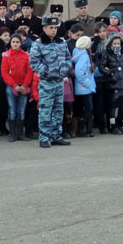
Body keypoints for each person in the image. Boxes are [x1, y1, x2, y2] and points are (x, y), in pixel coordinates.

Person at [29, 15, 72, 147]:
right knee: (45, 111)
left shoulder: (62, 42)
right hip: (47, 82)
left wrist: (65, 69)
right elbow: (34, 62)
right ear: (45, 28)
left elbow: (68, 58)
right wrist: (46, 71)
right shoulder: (38, 43)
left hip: (59, 81)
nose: (54, 30)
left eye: (55, 27)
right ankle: (43, 137)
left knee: (58, 110)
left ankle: (56, 135)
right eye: (51, 28)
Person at [1, 33, 32, 143]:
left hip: (23, 85)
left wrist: (24, 85)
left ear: (21, 43)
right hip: (11, 86)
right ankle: (12, 134)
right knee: (12, 110)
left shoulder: (26, 56)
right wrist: (14, 85)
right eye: (13, 42)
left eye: (17, 42)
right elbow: (4, 73)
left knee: (21, 110)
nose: (15, 44)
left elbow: (29, 71)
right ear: (10, 42)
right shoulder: (6, 56)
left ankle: (20, 134)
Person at [100, 33, 123, 135]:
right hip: (112, 84)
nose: (117, 45)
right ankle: (112, 126)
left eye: (118, 43)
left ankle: (120, 125)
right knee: (113, 106)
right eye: (115, 43)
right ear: (110, 44)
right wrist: (110, 74)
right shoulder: (107, 53)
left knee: (122, 107)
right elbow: (102, 67)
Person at [71, 36, 96, 137]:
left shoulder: (79, 53)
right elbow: (79, 72)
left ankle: (85, 129)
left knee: (85, 108)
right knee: (89, 108)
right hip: (84, 87)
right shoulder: (84, 56)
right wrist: (88, 83)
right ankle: (82, 128)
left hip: (83, 87)